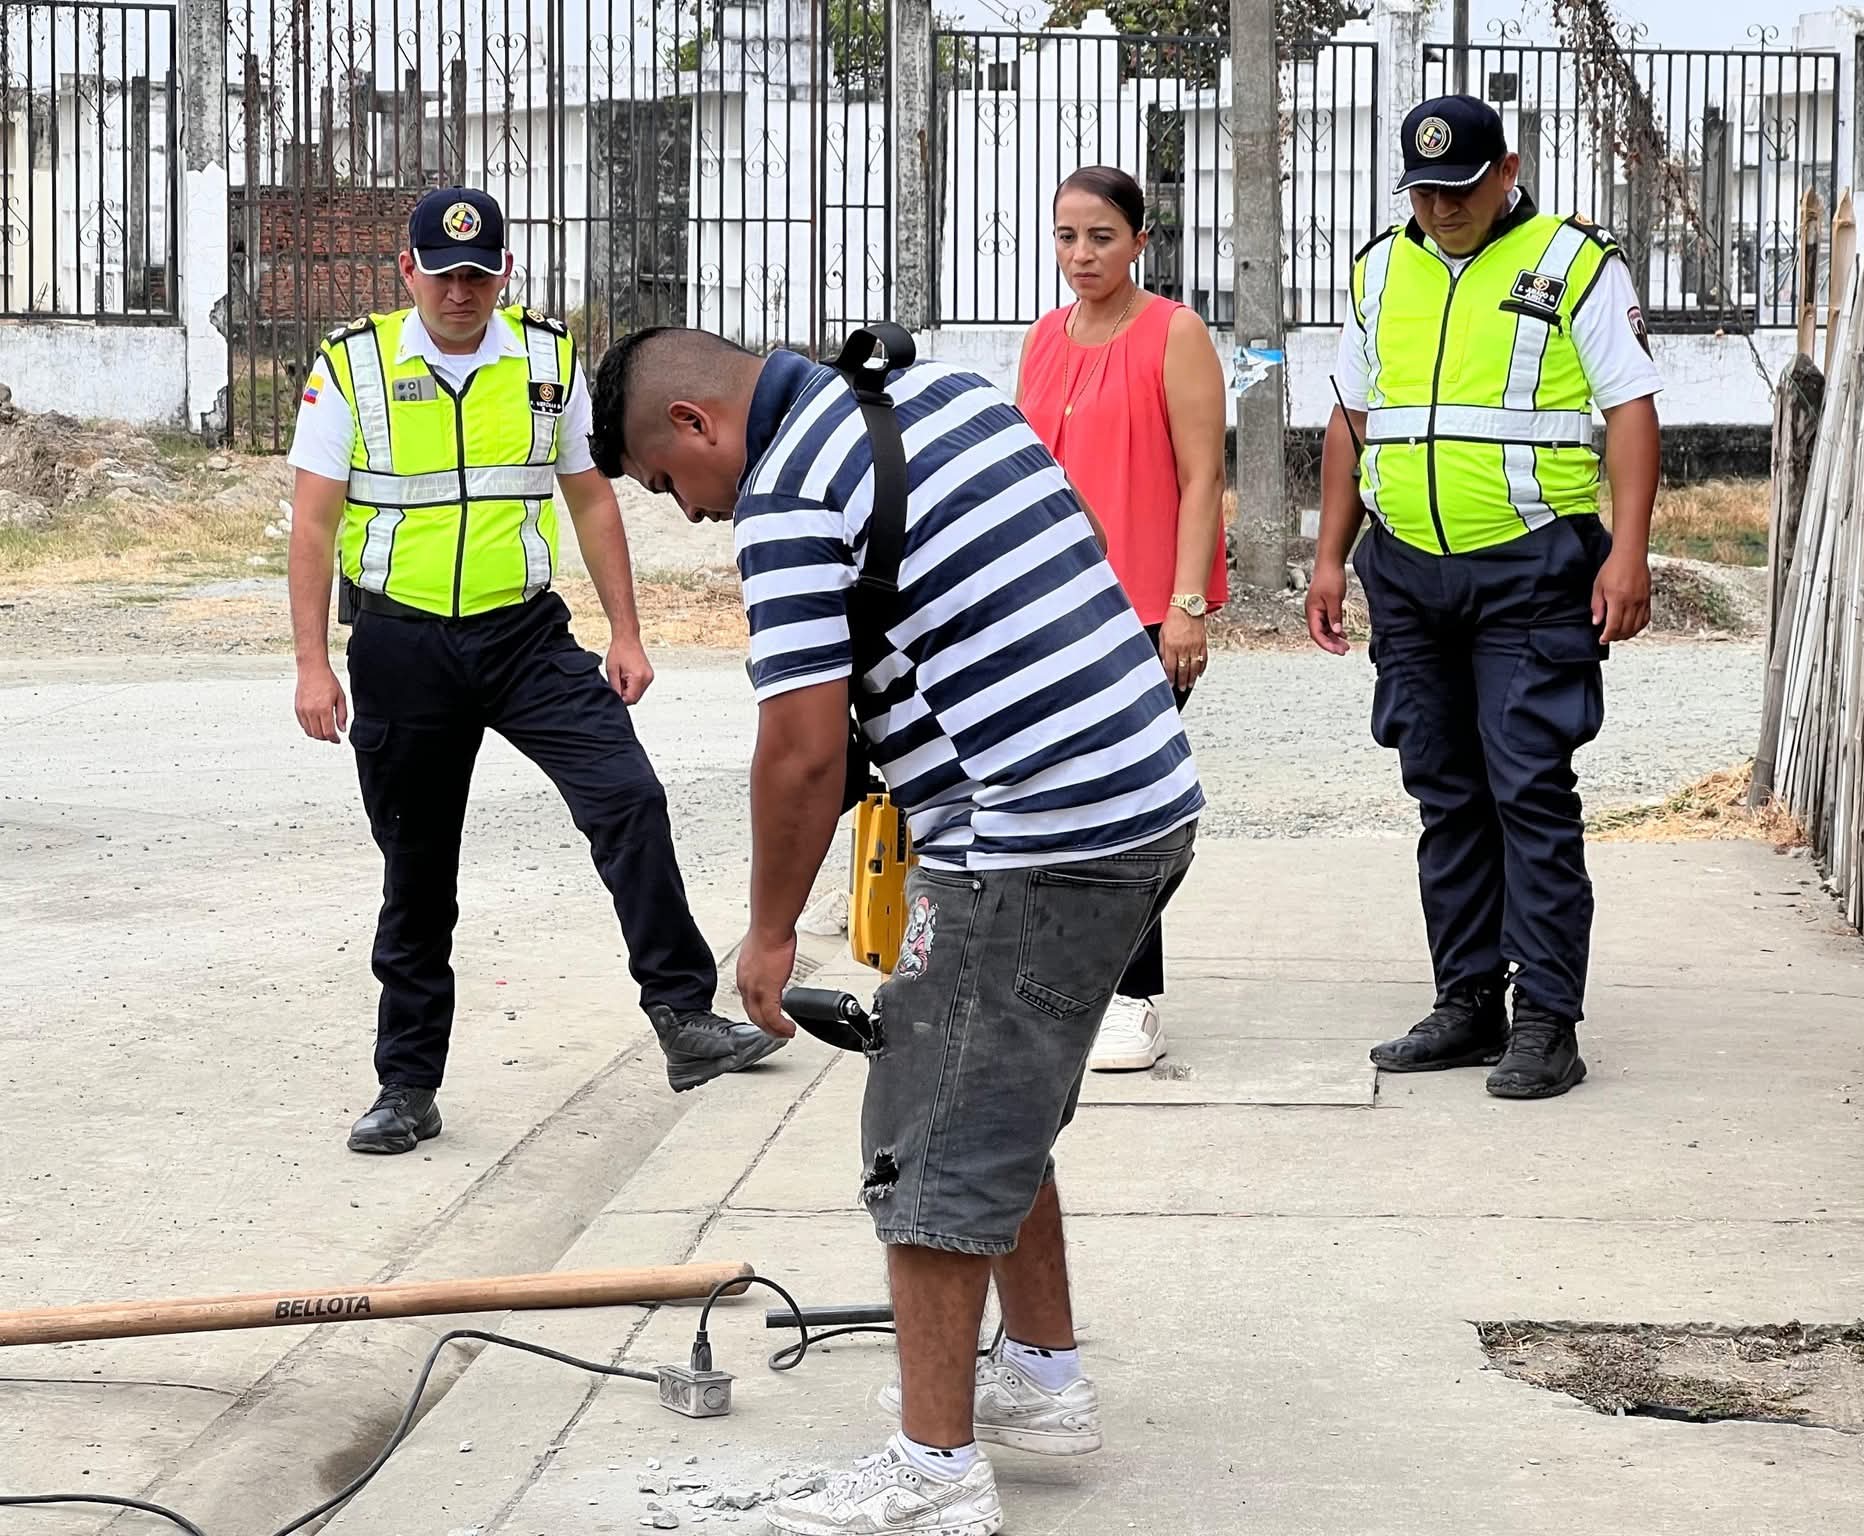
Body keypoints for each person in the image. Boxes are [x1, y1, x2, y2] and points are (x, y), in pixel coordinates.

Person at [589, 325, 1202, 1536]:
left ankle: (933, 1473)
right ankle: (1040, 1379)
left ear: (695, 423)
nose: (691, 513)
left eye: (668, 484)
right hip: (1138, 800)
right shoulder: (943, 395)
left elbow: (801, 749)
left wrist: (767, 934)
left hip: (1028, 840)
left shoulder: (788, 496)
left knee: (928, 1136)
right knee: (995, 1105)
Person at [286, 187, 782, 1156]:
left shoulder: (546, 359)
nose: (459, 292)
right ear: (408, 270)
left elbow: (590, 500)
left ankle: (684, 1018)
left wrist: (626, 633)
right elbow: (312, 522)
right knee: (418, 874)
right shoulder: (353, 366)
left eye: (478, 275)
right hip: (401, 645)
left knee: (627, 795)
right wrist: (312, 665)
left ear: (504, 273)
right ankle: (406, 1087)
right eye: (442, 274)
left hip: (523, 638)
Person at [1307, 95, 1662, 1101]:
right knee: (1444, 791)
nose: (1442, 207)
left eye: (1460, 187)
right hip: (1407, 571)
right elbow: (1350, 419)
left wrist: (1627, 554)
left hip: (1531, 569)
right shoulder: (1380, 269)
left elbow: (1631, 411)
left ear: (1506, 173)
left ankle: (1547, 1019)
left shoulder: (1573, 262)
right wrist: (1328, 558)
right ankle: (1466, 1002)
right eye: (1423, 192)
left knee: (1528, 791)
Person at [1016, 164, 1227, 1074]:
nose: (1082, 254)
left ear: (1140, 241)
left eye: (1101, 237)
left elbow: (1202, 477)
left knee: (1123, 801)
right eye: (1067, 237)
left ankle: (1132, 994)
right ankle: (1061, 986)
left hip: (1143, 611)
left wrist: (1187, 605)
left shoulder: (1173, 332)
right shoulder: (1042, 337)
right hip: (1046, 608)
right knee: (1049, 798)